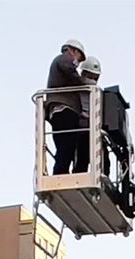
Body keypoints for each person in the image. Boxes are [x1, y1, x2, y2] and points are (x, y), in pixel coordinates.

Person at [45, 39, 87, 175]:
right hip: (64, 109)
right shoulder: (64, 59)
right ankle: (60, 173)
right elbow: (70, 71)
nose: (77, 63)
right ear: (72, 50)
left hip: (61, 110)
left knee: (65, 145)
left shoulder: (60, 62)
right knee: (66, 144)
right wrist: (84, 83)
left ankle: (61, 172)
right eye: (78, 58)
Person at [74, 56, 102, 174]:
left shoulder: (97, 93)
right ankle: (79, 173)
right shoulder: (74, 89)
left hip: (94, 127)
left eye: (95, 77)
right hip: (81, 127)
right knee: (82, 152)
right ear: (83, 73)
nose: (92, 80)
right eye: (90, 76)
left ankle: (102, 174)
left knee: (102, 152)